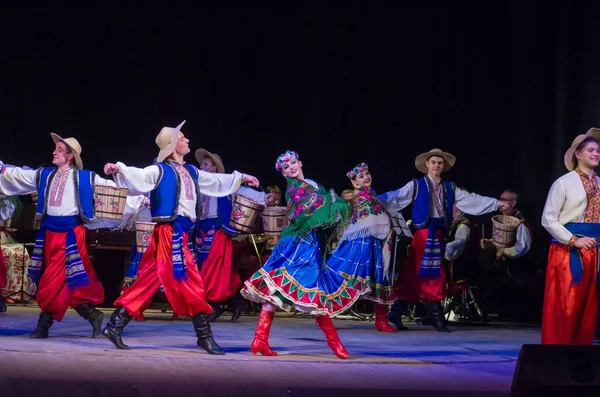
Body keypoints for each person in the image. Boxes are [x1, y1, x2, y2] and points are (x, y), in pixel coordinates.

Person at [102, 120, 259, 354]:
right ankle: (204, 336)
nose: (187, 140)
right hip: (169, 233)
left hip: (182, 233)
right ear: (174, 144)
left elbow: (216, 181)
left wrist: (241, 177)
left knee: (148, 282)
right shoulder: (160, 170)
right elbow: (139, 176)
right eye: (183, 137)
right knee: (190, 282)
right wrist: (119, 169)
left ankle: (114, 325)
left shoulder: (191, 172)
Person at [241, 150, 359, 359]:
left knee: (285, 290)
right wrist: (333, 204)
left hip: (309, 245)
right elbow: (314, 212)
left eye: (293, 163)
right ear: (284, 173)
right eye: (286, 167)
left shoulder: (313, 184)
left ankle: (260, 339)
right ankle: (334, 344)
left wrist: (335, 206)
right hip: (297, 245)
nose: (291, 167)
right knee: (294, 290)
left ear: (300, 162)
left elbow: (325, 210)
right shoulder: (294, 191)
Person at [379, 148, 508, 332]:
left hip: (439, 233)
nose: (437, 166)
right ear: (427, 165)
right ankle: (437, 317)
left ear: (443, 166)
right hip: (424, 233)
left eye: (440, 163)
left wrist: (495, 203)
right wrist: (374, 200)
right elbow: (396, 196)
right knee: (433, 272)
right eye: (434, 162)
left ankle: (395, 313)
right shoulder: (417, 185)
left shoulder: (450, 187)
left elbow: (471, 199)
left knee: (413, 274)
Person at [0, 134, 114, 338]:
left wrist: (142, 199)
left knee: (54, 278)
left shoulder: (86, 177)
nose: (54, 152)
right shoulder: (45, 174)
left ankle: (44, 324)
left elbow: (114, 190)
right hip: (50, 233)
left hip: (71, 234)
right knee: (71, 280)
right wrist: (3, 170)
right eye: (55, 149)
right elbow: (18, 176)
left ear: (70, 156)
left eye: (60, 150)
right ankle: (92, 314)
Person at [194, 148, 275, 322]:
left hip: (218, 229)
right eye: (201, 163)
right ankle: (236, 300)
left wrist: (263, 197)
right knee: (215, 268)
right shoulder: (199, 185)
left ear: (215, 168)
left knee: (212, 268)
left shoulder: (226, 183)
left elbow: (243, 192)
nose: (201, 166)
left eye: (205, 164)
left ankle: (213, 305)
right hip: (202, 229)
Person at [541, 129, 600, 344]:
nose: (596, 154)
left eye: (598, 151)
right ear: (578, 154)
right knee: (565, 305)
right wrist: (575, 240)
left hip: (594, 250)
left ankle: (580, 355)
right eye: (590, 150)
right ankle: (557, 354)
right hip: (568, 251)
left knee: (588, 308)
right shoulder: (564, 183)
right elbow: (548, 219)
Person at [326, 163, 397, 332]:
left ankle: (381, 320)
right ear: (355, 182)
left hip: (372, 244)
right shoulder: (361, 197)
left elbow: (378, 217)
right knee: (349, 277)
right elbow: (370, 221)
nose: (366, 177)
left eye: (367, 173)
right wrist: (384, 223)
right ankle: (324, 314)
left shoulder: (371, 195)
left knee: (377, 277)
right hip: (359, 245)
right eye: (361, 176)